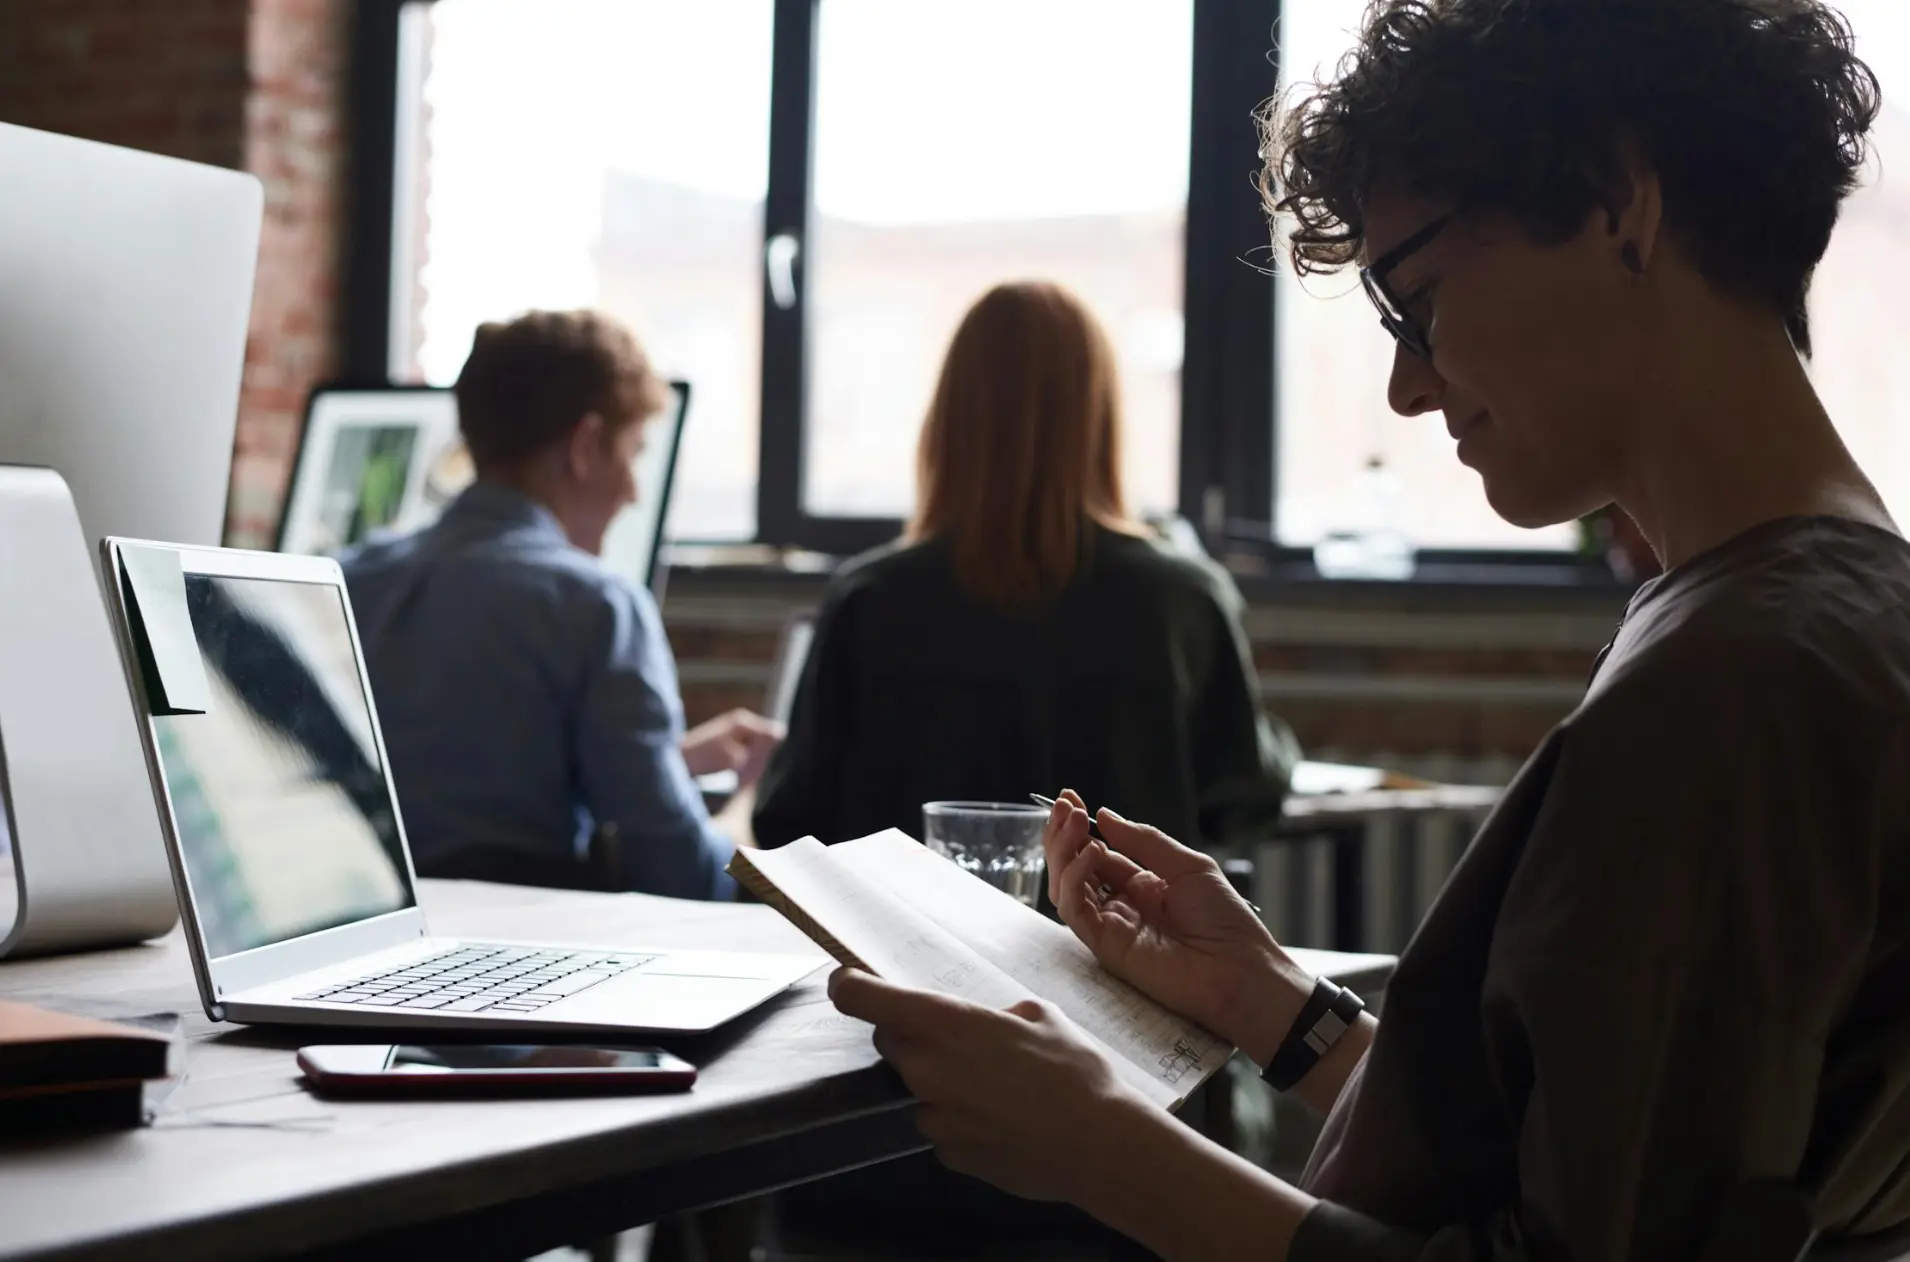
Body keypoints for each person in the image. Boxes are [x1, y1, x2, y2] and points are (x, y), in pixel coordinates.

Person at [828, 1, 1910, 1257]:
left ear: (1621, 200)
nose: (1404, 385)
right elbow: (1602, 1167)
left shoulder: (1735, 687)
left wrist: (1101, 1147)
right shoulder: (1828, 612)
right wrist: (1267, 998)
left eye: (1417, 300)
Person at [753, 280, 1298, 852]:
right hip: (1119, 939)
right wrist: (1278, 747)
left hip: (908, 939)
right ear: (1101, 419)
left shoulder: (869, 597)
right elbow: (1243, 795)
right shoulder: (1185, 596)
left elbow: (790, 819)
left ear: (950, 418)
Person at [343, 310, 779, 900]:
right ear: (586, 444)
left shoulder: (351, 579)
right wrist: (744, 810)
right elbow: (681, 874)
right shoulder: (596, 606)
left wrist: (666, 763)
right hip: (521, 949)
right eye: (632, 452)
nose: (633, 491)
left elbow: (467, 778)